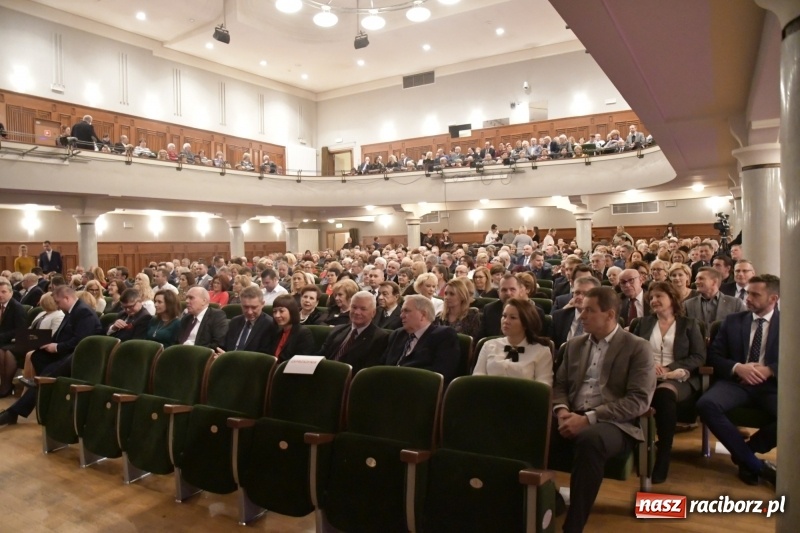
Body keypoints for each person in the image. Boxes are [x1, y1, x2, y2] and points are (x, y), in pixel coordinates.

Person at [548, 287, 655, 532]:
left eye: (589, 310)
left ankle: (573, 526)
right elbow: (560, 385)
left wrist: (588, 419)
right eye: (581, 309)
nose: (581, 314)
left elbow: (638, 400)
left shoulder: (637, 347)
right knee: (530, 429)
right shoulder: (574, 345)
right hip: (572, 413)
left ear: (609, 315)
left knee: (590, 439)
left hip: (615, 423)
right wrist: (562, 411)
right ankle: (547, 500)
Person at [696, 275, 780, 487]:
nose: (748, 298)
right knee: (706, 404)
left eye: (755, 294)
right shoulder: (733, 321)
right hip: (736, 383)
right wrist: (738, 367)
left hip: (771, 386)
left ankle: (746, 453)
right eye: (748, 292)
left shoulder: (790, 324)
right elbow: (714, 356)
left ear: (773, 299)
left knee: (793, 416)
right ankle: (757, 466)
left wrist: (771, 369)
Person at [631, 282, 706, 483]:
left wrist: (670, 368)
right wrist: (650, 364)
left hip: (678, 377)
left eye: (659, 297)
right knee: (633, 392)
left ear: (672, 298)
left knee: (663, 395)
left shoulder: (689, 324)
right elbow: (633, 352)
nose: (654, 301)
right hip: (647, 375)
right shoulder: (643, 323)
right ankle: (637, 447)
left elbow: (698, 356)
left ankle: (664, 452)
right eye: (652, 297)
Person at [0, 285, 103, 426]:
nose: (57, 306)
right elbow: (64, 336)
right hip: (66, 353)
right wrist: (48, 344)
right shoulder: (72, 311)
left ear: (66, 298)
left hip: (78, 357)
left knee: (46, 377)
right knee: (37, 356)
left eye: (58, 302)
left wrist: (57, 347)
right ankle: (44, 391)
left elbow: (81, 341)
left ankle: (14, 411)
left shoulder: (83, 312)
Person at [380, 295, 461, 386]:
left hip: (419, 389)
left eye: (406, 311)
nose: (401, 315)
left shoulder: (444, 335)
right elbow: (382, 365)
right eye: (402, 311)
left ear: (423, 315)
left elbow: (442, 373)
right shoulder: (398, 334)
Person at [473, 298, 552, 384]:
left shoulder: (541, 352)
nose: (506, 321)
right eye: (504, 316)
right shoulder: (488, 345)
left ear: (526, 323)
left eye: (513, 318)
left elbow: (544, 387)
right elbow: (477, 379)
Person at [319, 291, 389, 373]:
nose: (357, 312)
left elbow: (368, 371)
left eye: (363, 309)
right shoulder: (337, 330)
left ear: (373, 313)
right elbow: (321, 356)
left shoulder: (380, 338)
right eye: (354, 307)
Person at [218, 286, 275, 354]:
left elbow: (263, 357)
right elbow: (223, 346)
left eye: (254, 307)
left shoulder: (269, 325)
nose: (249, 312)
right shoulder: (234, 321)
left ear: (262, 304)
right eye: (246, 307)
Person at [550, 276, 600, 348]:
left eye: (586, 294)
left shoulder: (601, 320)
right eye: (577, 293)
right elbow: (552, 348)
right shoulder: (559, 317)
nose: (579, 297)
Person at [266, 294, 315, 362]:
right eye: (275, 311)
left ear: (292, 312)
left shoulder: (303, 334)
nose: (277, 315)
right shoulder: (277, 331)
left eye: (281, 311)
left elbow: (300, 362)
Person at [0, 277, 28, 396]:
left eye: (3, 292)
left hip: (16, 341)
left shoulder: (17, 308)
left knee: (3, 352)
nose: (0, 295)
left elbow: (20, 330)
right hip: (4, 340)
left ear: (11, 292)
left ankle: (6, 385)